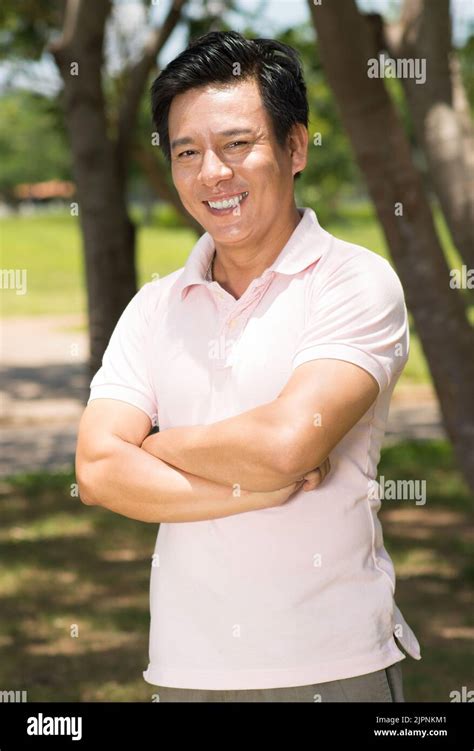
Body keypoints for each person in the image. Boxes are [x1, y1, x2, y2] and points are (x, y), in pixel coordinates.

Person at [76, 30, 421, 702]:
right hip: (184, 672)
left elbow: (287, 443)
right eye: (187, 152)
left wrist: (154, 444)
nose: (212, 173)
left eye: (237, 144)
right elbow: (96, 471)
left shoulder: (354, 281)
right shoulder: (153, 308)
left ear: (295, 147)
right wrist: (256, 490)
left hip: (334, 664)